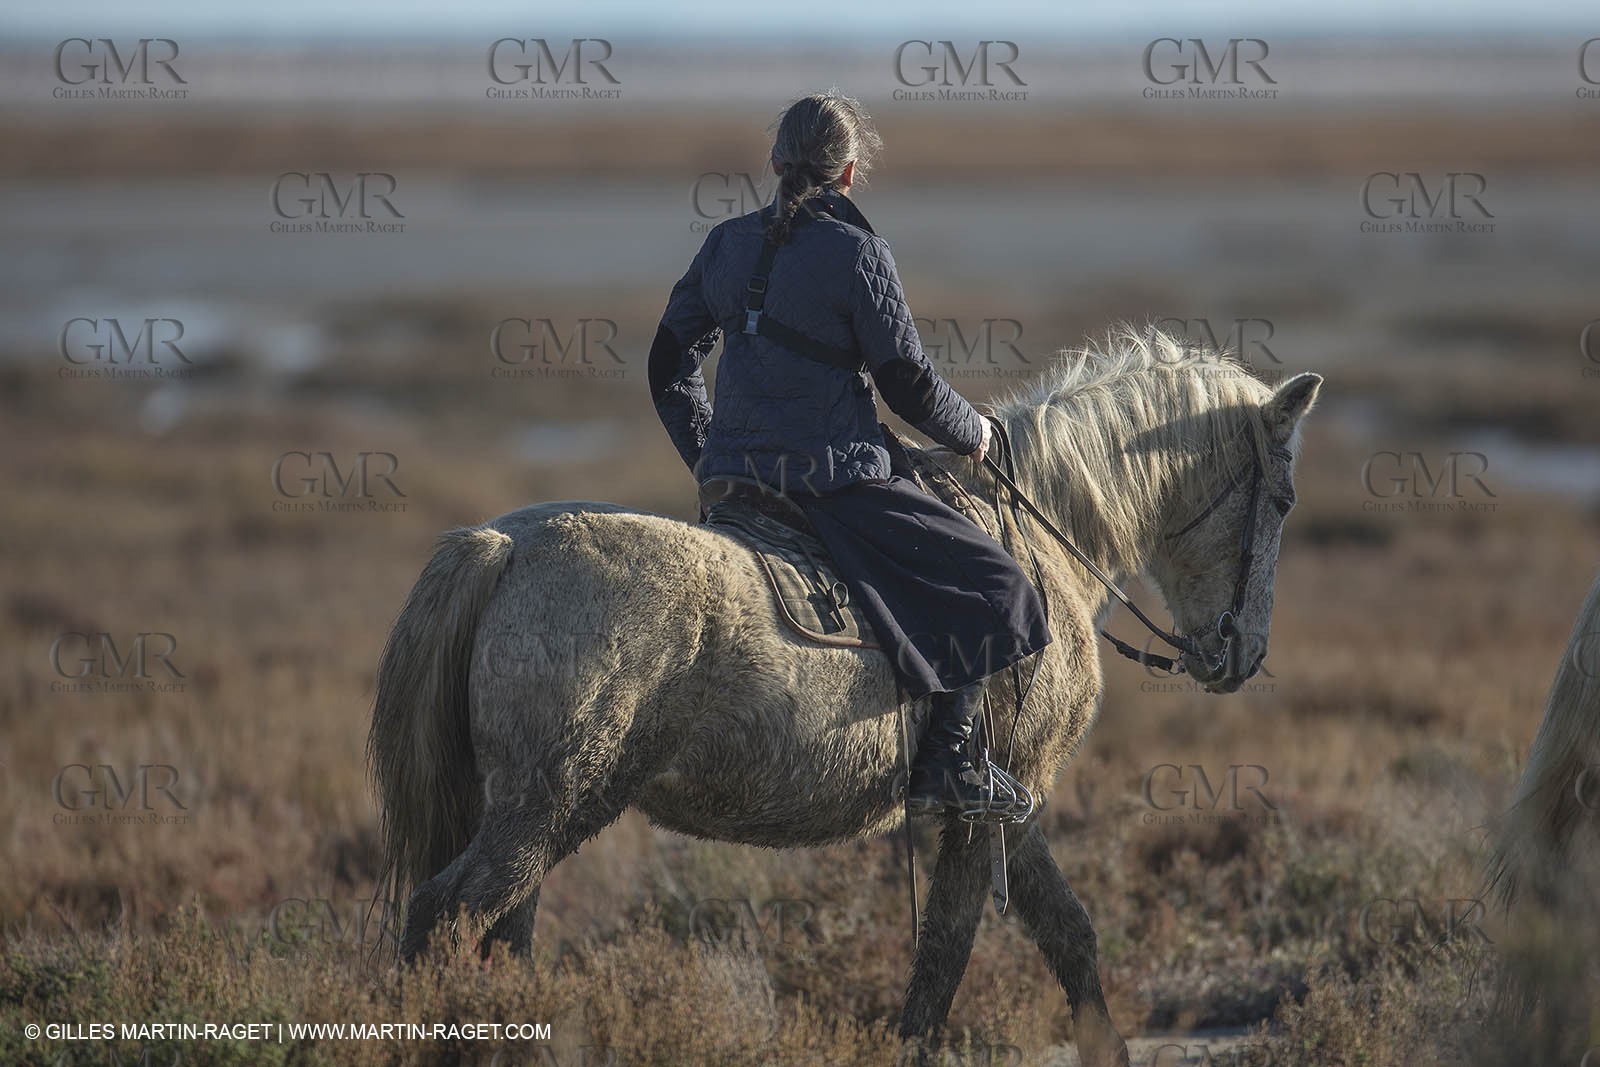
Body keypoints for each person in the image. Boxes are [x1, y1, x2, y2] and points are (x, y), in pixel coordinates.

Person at [648, 90, 1051, 816]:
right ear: (850, 172)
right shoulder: (860, 255)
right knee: (1005, 591)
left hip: (736, 484)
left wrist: (712, 460)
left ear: (774, 163)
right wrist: (977, 433)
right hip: (833, 484)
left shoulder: (726, 245)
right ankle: (950, 761)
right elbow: (909, 386)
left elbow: (666, 363)